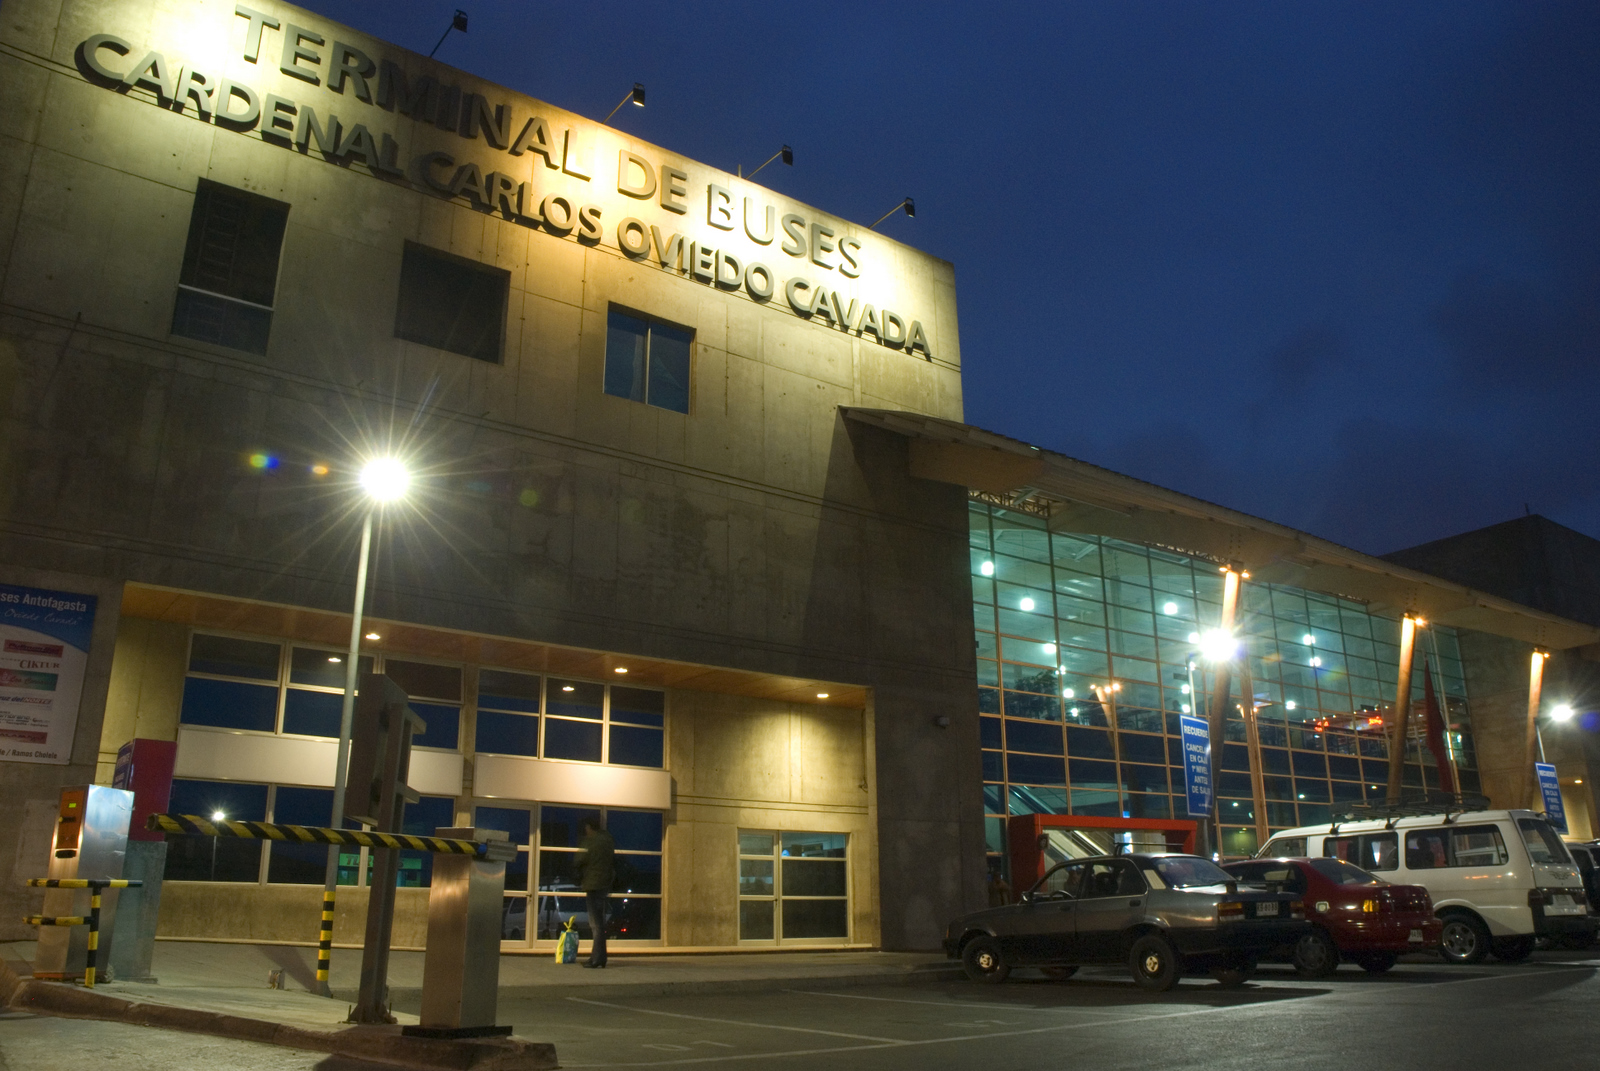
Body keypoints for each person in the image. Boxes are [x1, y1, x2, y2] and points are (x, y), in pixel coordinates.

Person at [575, 816, 616, 968]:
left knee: (595, 924)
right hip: (605, 884)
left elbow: (578, 859)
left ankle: (597, 958)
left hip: (593, 884)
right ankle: (599, 957)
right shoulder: (608, 840)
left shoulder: (591, 840)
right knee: (600, 923)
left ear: (588, 827)